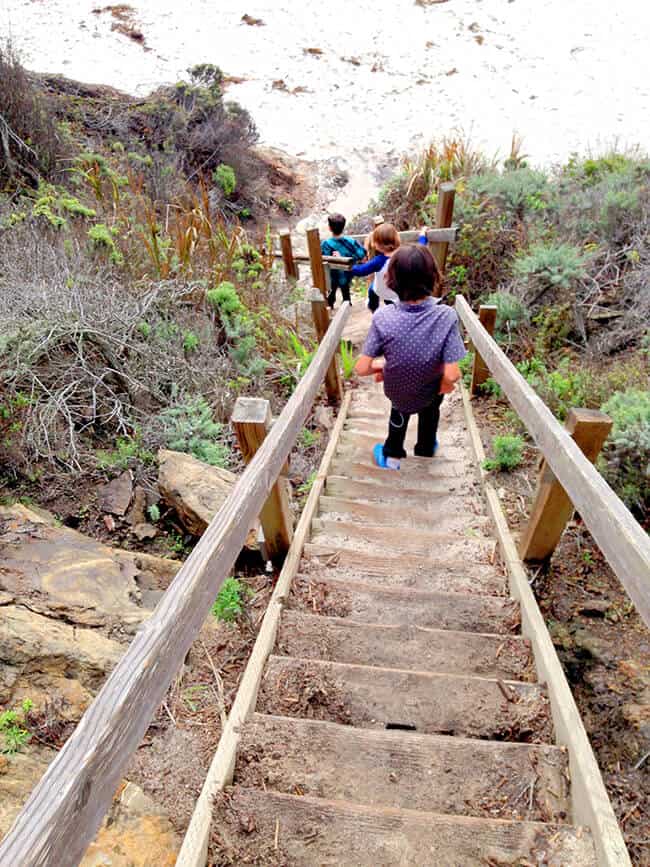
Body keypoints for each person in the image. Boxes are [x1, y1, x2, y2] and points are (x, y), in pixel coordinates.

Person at [354, 241, 466, 470]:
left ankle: (393, 456)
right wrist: (444, 384)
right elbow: (453, 374)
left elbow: (362, 368)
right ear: (433, 276)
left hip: (398, 389)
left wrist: (384, 367)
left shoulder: (383, 317)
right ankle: (425, 449)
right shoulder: (446, 316)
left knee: (399, 414)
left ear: (390, 279)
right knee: (430, 412)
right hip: (431, 389)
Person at [320, 213, 366, 309]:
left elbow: (321, 258)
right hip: (346, 273)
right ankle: (347, 303)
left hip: (332, 275)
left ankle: (330, 305)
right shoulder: (350, 241)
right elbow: (361, 254)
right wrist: (348, 257)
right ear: (343, 226)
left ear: (329, 228)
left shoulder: (326, 244)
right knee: (345, 288)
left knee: (332, 290)